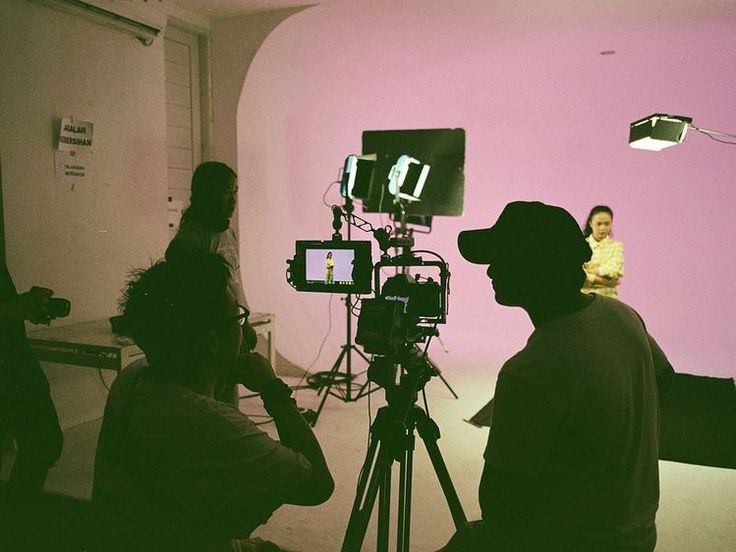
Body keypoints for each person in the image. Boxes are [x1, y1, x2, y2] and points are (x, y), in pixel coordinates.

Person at [441, 201, 674, 552]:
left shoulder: (531, 371)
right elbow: (664, 377)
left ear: (533, 268)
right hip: (637, 535)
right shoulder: (623, 316)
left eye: (502, 258)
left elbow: (499, 508)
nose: (490, 271)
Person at [91, 253, 334, 552]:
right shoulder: (213, 426)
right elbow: (318, 485)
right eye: (237, 317)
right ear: (212, 341)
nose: (247, 332)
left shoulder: (133, 377)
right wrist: (273, 391)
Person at [0, 260, 63, 494]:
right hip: (12, 362)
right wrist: (13, 307)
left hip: (13, 358)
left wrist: (21, 307)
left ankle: (17, 515)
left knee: (45, 440)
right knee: (44, 440)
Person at [582, 205, 624, 297]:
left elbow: (615, 270)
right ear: (590, 223)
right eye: (599, 224)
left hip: (609, 298)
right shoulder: (581, 245)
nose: (603, 228)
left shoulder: (616, 246)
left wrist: (591, 271)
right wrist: (604, 281)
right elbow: (579, 274)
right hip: (585, 297)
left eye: (607, 224)